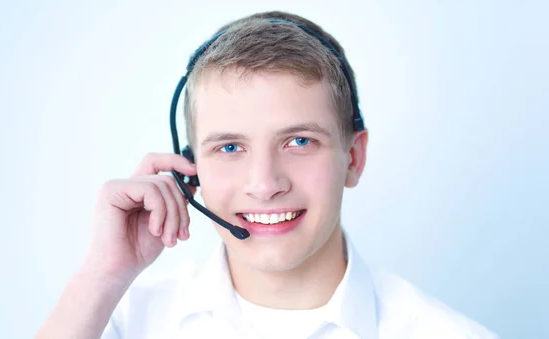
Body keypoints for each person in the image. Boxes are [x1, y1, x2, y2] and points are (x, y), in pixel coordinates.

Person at [36, 11, 499, 339]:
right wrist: (103, 275)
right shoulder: (118, 320)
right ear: (188, 169)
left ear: (354, 159)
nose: (264, 183)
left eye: (299, 141)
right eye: (230, 147)